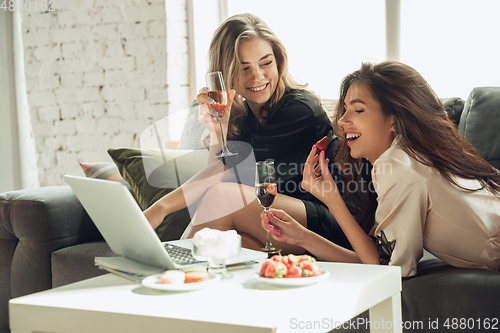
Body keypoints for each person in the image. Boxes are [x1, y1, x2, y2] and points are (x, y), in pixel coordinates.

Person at [261, 61, 500, 277]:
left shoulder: (397, 165)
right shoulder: (409, 157)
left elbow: (390, 272)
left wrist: (333, 201)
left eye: (358, 109)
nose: (343, 121)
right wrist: (303, 236)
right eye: (344, 109)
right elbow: (377, 259)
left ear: (394, 119)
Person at [144, 13, 358, 254]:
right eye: (244, 68)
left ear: (278, 62)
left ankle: (171, 270)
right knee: (228, 246)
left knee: (221, 198)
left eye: (266, 63)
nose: (257, 76)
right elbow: (221, 170)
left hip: (324, 223)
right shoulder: (243, 116)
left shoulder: (299, 109)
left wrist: (159, 209)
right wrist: (218, 131)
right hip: (272, 219)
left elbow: (227, 180)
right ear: (226, 74)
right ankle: (177, 274)